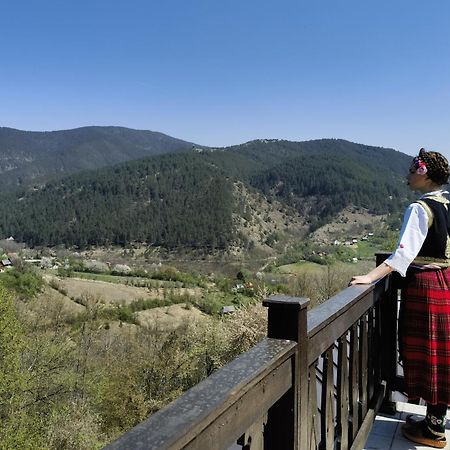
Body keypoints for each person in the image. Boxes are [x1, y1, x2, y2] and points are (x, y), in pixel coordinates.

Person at [350, 148, 450, 449]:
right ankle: (434, 422)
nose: (407, 175)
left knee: (427, 352)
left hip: (425, 286)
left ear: (424, 174)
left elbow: (403, 254)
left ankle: (433, 431)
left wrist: (370, 276)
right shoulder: (447, 204)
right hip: (445, 283)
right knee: (440, 354)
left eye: (412, 169)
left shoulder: (421, 208)